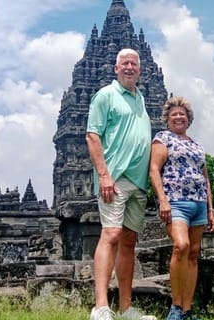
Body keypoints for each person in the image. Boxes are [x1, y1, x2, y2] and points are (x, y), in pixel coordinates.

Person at [87, 48, 153, 320]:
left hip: (138, 183)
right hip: (114, 179)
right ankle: (101, 306)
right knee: (111, 235)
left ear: (139, 70)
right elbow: (92, 136)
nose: (129, 67)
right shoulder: (105, 95)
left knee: (129, 241)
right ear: (116, 68)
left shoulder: (141, 99)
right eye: (124, 64)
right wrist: (104, 174)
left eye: (134, 64)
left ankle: (126, 309)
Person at [149, 96, 214, 320]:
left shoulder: (196, 145)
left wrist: (210, 210)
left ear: (189, 119)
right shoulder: (162, 139)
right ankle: (175, 307)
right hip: (175, 201)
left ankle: (187, 310)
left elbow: (205, 178)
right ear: (167, 119)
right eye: (174, 114)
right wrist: (162, 200)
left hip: (198, 202)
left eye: (182, 114)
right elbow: (154, 170)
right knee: (181, 245)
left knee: (194, 254)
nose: (179, 117)